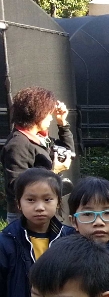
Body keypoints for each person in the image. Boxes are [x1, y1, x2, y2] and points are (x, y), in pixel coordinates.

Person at [0, 168, 73, 297]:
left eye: (47, 199)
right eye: (31, 200)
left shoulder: (70, 239)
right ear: (18, 203)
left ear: (58, 202)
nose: (39, 207)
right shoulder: (6, 242)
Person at [1, 87, 74, 221]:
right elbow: (16, 187)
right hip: (26, 218)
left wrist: (62, 123)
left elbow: (68, 153)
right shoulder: (17, 144)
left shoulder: (39, 138)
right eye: (48, 113)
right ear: (37, 113)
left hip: (45, 213)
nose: (51, 118)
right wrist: (53, 172)